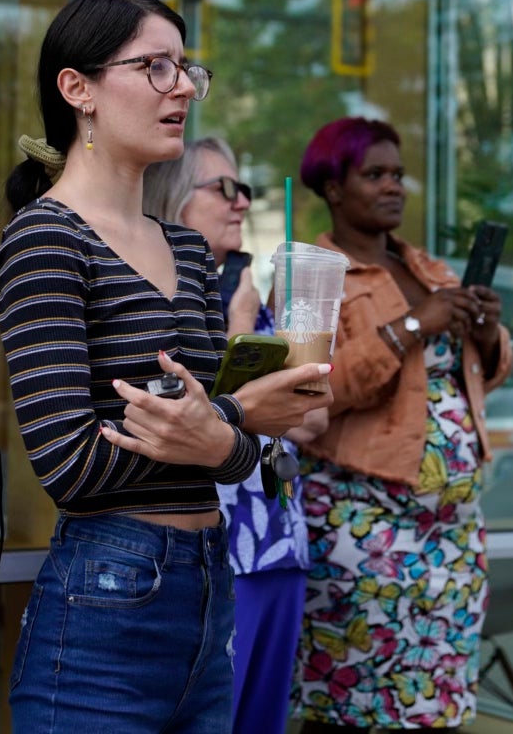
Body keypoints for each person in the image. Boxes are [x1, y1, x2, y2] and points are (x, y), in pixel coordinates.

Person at [0, 0, 331, 733]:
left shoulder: (183, 248)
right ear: (76, 89)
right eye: (153, 67)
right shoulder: (46, 238)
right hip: (105, 595)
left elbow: (231, 462)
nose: (181, 86)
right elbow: (70, 466)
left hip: (210, 585)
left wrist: (214, 431)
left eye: (184, 68)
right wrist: (235, 417)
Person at [292, 117, 511, 731]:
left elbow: (481, 375)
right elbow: (307, 394)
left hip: (452, 536)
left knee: (435, 708)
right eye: (375, 174)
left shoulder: (430, 268)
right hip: (363, 529)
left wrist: (487, 332)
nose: (394, 186)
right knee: (354, 708)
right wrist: (414, 325)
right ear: (333, 188)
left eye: (399, 174)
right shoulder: (309, 274)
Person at [143, 137, 328, 734]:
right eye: (223, 188)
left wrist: (292, 333)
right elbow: (187, 410)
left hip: (278, 541)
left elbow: (316, 415)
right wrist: (242, 326)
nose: (241, 203)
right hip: (219, 552)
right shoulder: (165, 295)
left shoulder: (256, 294)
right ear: (172, 197)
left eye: (245, 189)